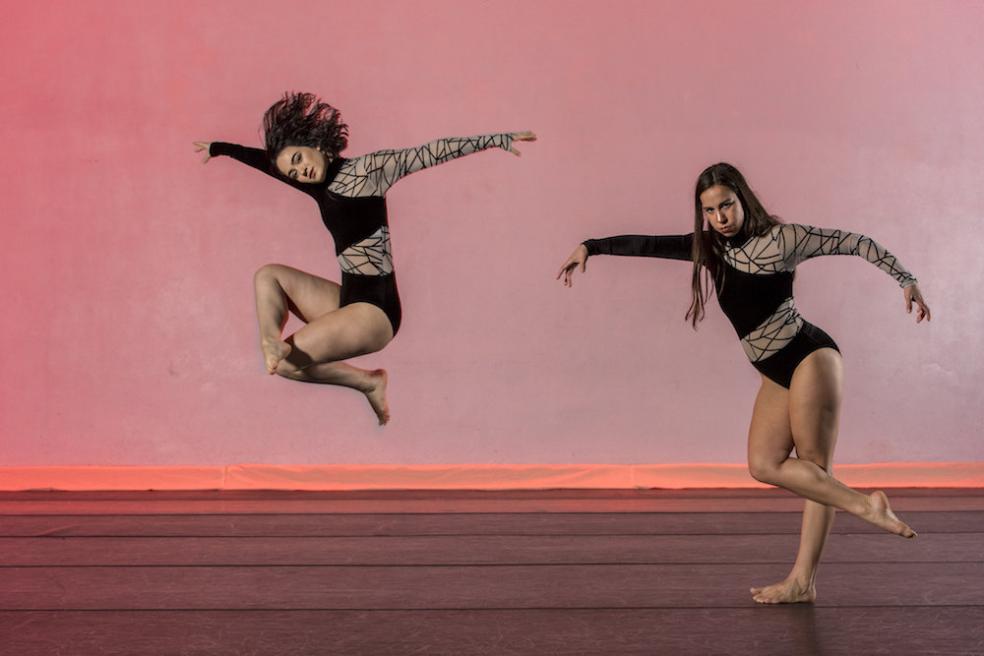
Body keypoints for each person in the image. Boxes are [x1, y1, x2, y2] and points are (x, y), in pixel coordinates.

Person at [556, 162, 931, 604]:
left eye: (726, 206)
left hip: (809, 357)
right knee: (764, 464)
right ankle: (851, 522)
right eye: (709, 211)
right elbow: (649, 244)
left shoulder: (782, 240)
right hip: (773, 372)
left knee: (815, 469)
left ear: (743, 198)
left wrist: (906, 280)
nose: (720, 218)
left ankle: (813, 568)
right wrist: (591, 246)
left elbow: (854, 242)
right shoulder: (712, 248)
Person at [195, 92, 535, 424]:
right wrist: (220, 149)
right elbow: (265, 165)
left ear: (314, 143)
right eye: (292, 174)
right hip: (349, 301)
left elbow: (428, 153)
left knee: (285, 364)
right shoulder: (317, 185)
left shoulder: (370, 170)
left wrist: (494, 139)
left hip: (377, 312)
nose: (301, 173)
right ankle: (270, 340)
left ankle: (367, 381)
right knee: (268, 275)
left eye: (299, 161)